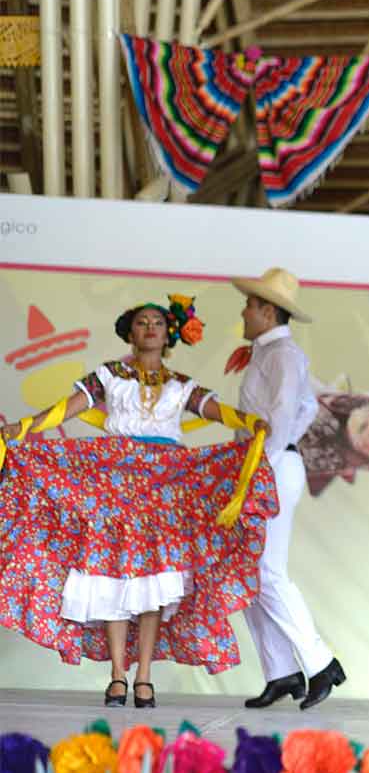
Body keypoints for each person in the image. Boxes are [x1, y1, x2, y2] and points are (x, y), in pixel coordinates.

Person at [0, 296, 277, 708]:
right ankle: (116, 676)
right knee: (113, 577)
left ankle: (143, 676)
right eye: (142, 322)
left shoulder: (181, 384)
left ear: (169, 335)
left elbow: (220, 412)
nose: (149, 328)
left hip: (163, 488)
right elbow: (63, 410)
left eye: (157, 323)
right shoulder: (109, 376)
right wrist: (22, 427)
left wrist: (251, 423)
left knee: (153, 583)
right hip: (113, 483)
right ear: (130, 332)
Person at [229, 267, 346, 710]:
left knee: (266, 570)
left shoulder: (282, 354)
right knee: (252, 573)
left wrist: (263, 463)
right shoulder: (272, 353)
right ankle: (281, 671)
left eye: (249, 304)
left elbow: (281, 414)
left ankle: (319, 662)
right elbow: (306, 406)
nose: (243, 310)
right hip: (268, 464)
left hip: (270, 467)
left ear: (265, 310)